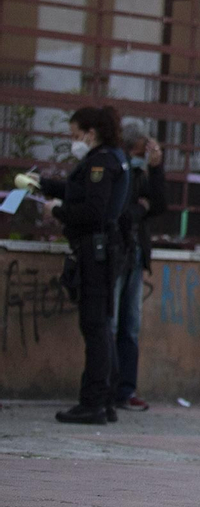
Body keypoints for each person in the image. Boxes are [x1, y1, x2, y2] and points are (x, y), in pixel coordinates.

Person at [36, 106, 130, 424]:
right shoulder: (107, 157)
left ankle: (93, 403)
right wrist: (46, 186)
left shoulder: (102, 161)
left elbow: (93, 211)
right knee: (101, 326)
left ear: (91, 133)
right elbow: (82, 192)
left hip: (96, 253)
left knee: (95, 326)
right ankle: (104, 401)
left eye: (75, 135)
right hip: (100, 252)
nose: (73, 140)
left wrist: (58, 211)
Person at [112, 121, 166, 412]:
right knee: (111, 324)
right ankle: (107, 387)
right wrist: (140, 209)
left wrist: (157, 168)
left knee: (130, 327)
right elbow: (123, 213)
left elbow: (159, 204)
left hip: (135, 255)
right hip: (116, 255)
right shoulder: (119, 168)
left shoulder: (142, 172)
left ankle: (125, 389)